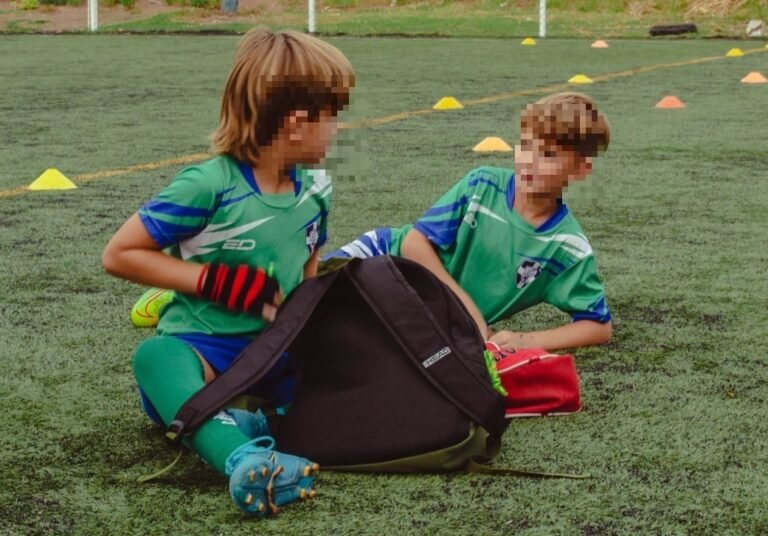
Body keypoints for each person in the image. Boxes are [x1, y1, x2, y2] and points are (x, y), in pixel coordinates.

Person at [102, 28, 355, 517]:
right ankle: (240, 454)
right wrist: (211, 281)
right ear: (297, 123)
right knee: (155, 356)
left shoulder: (316, 188)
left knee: (344, 380)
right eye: (334, 116)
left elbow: (307, 263)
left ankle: (249, 428)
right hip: (205, 355)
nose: (338, 130)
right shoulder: (208, 184)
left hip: (276, 353)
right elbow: (119, 254)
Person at [325, 92, 612, 351]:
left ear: (580, 169)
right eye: (525, 145)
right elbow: (414, 242)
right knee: (308, 298)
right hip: (384, 257)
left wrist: (524, 341)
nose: (529, 161)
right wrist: (467, 312)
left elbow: (598, 327)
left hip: (429, 321)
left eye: (548, 155)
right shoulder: (482, 184)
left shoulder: (568, 247)